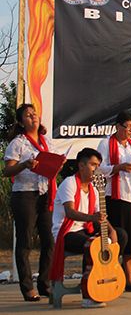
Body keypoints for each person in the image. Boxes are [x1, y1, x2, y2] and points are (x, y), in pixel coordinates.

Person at [50, 148, 127, 309]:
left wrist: (111, 230)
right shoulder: (69, 183)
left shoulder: (93, 188)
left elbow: (99, 214)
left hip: (86, 229)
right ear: (81, 165)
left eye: (98, 165)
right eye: (93, 164)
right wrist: (91, 218)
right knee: (93, 245)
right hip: (66, 232)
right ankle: (88, 293)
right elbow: (70, 212)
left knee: (121, 235)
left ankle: (103, 277)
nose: (96, 169)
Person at [3, 104, 62, 301]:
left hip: (45, 193)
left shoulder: (47, 142)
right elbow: (7, 171)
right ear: (21, 122)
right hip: (25, 195)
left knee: (49, 240)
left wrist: (57, 164)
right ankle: (27, 288)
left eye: (34, 113)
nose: (33, 117)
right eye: (28, 115)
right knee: (26, 241)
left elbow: (52, 166)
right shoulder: (18, 143)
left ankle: (44, 284)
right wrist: (24, 165)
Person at [97, 110, 131, 292]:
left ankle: (129, 278)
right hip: (115, 197)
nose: (130, 132)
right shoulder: (106, 144)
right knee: (117, 240)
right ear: (117, 126)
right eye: (127, 128)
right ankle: (111, 274)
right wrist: (118, 167)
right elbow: (98, 169)